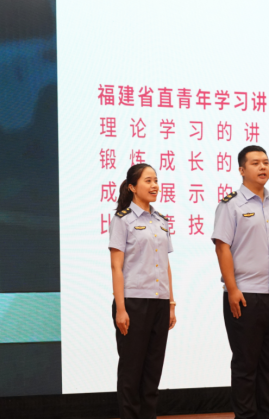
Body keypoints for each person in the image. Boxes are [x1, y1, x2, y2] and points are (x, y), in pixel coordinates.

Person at [211, 145, 269, 419]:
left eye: (266, 162)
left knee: (268, 364)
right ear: (241, 170)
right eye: (256, 163)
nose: (263, 167)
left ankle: (266, 415)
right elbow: (222, 248)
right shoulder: (231, 205)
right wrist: (232, 289)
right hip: (245, 294)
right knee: (246, 364)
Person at [107, 163, 176, 419]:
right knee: (131, 371)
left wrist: (171, 304)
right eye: (148, 180)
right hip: (133, 304)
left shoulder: (161, 221)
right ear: (133, 187)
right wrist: (121, 308)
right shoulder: (122, 220)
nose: (155, 185)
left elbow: (165, 265)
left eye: (156, 180)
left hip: (159, 302)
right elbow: (116, 266)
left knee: (152, 370)